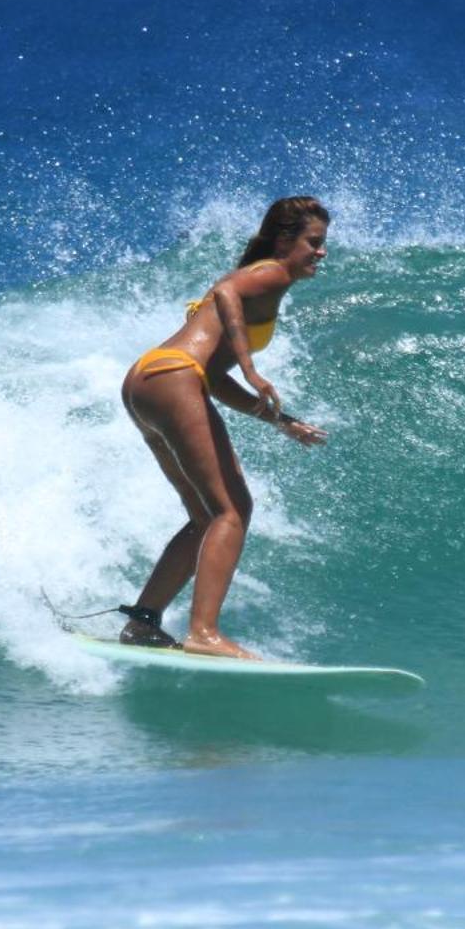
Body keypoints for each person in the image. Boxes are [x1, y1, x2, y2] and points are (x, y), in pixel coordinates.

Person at [116, 196, 331, 658]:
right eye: (313, 242)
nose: (321, 252)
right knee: (233, 510)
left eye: (323, 243)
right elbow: (224, 291)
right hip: (173, 377)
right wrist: (252, 368)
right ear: (283, 239)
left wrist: (282, 422)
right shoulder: (271, 273)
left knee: (205, 517)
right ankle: (205, 633)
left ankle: (143, 623)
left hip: (148, 381)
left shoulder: (266, 280)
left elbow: (212, 378)